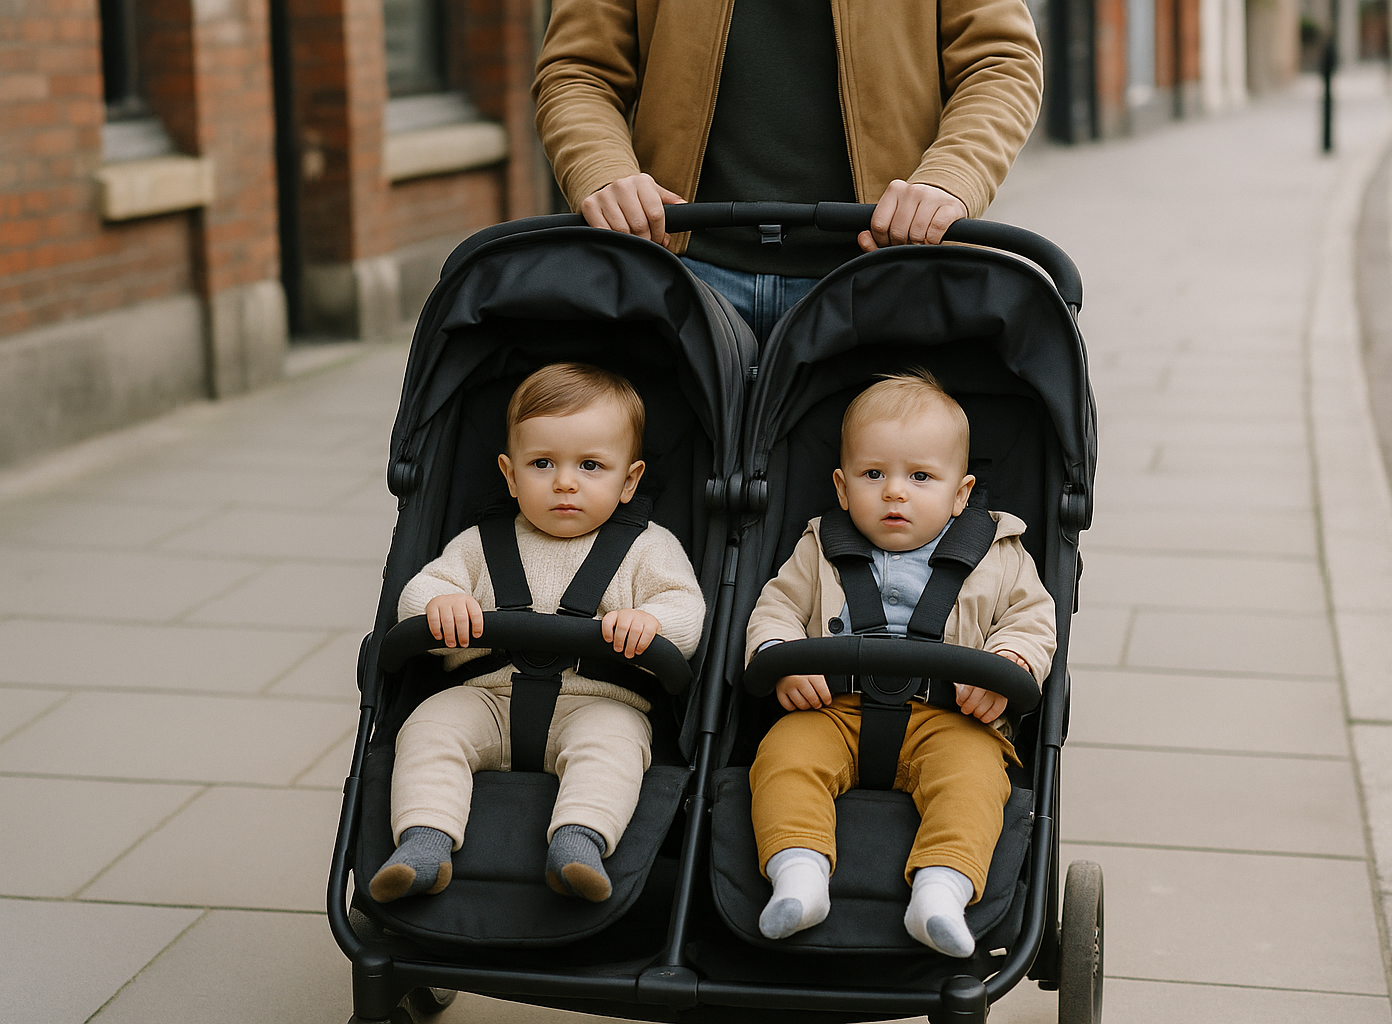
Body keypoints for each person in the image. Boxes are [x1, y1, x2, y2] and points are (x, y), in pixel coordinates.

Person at [743, 372, 1056, 957]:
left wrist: (1008, 665)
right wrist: (778, 659)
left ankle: (941, 890)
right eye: (873, 475)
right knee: (782, 759)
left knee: (974, 780)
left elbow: (1033, 621)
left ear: (961, 494)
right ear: (841, 487)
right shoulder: (819, 546)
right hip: (833, 707)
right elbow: (776, 609)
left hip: (952, 716)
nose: (894, 492)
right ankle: (798, 872)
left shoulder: (999, 553)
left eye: (920, 477)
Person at [370, 363, 706, 905]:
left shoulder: (648, 548)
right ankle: (423, 841)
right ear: (509, 474)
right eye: (542, 463)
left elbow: (685, 608)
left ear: (630, 480)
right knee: (428, 728)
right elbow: (421, 589)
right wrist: (441, 604)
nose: (565, 481)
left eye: (591, 465)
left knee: (614, 748)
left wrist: (654, 623)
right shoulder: (481, 543)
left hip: (597, 702)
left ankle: (579, 842)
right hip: (485, 697)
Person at [532, 0, 1043, 335]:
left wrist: (949, 179)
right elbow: (579, 71)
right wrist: (601, 168)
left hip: (882, 276)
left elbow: (1000, 61)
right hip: (676, 272)